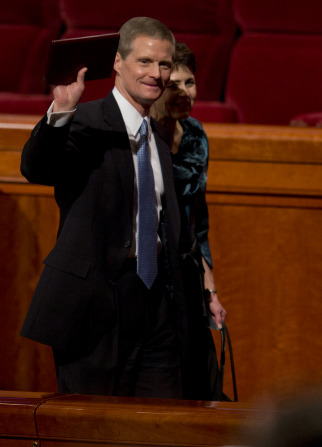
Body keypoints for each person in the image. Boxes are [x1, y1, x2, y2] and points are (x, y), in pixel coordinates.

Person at [20, 17, 188, 399]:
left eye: (164, 64)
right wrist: (61, 109)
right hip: (93, 309)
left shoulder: (160, 141)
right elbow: (35, 168)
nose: (156, 73)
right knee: (92, 432)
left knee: (161, 428)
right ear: (117, 62)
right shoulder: (83, 122)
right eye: (144, 61)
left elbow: (170, 225)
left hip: (156, 306)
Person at [151, 41, 227, 400]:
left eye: (190, 83)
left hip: (188, 268)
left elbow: (197, 219)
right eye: (175, 84)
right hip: (152, 272)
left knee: (204, 381)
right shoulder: (142, 137)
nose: (185, 93)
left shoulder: (196, 135)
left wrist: (209, 286)